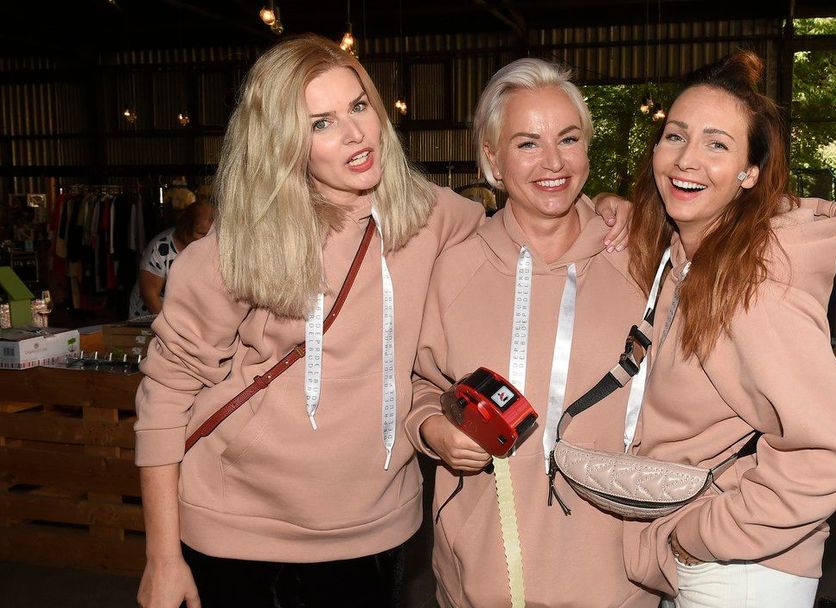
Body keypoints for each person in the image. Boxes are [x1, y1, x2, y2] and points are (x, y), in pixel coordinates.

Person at [134, 35, 631, 608]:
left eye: (359, 106)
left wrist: (607, 208)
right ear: (282, 141)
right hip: (239, 531)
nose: (355, 134)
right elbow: (165, 395)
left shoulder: (430, 216)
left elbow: (531, 215)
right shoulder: (237, 247)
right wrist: (162, 556)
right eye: (321, 123)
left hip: (377, 533)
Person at [406, 58, 659, 608]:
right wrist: (432, 428)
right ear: (492, 159)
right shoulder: (453, 270)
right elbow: (423, 383)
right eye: (527, 143)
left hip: (616, 582)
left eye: (568, 138)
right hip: (481, 577)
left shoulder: (641, 261)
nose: (553, 162)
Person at [620, 51, 836, 607]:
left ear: (749, 173)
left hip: (742, 572)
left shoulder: (754, 287)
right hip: (711, 556)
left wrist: (699, 536)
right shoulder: (686, 259)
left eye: (717, 144)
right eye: (675, 136)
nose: (686, 160)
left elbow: (834, 453)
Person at [129, 200, 213, 318]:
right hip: (152, 316)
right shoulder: (161, 247)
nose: (206, 239)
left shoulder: (209, 245)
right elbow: (149, 295)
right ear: (185, 227)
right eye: (200, 233)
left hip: (183, 318)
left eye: (210, 234)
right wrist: (168, 324)